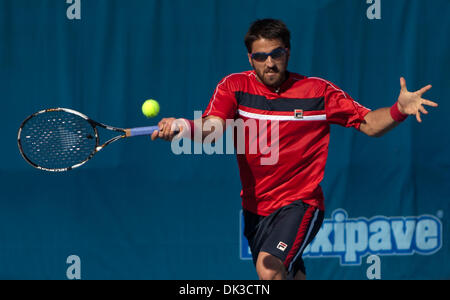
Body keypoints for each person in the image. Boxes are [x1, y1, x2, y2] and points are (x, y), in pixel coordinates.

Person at [150, 19, 438, 280]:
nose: (270, 63)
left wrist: (399, 109)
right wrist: (184, 127)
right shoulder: (234, 86)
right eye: (260, 57)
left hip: (300, 203)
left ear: (288, 52)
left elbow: (370, 124)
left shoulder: (317, 92)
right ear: (250, 58)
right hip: (256, 210)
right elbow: (212, 130)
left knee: (270, 269)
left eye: (276, 54)